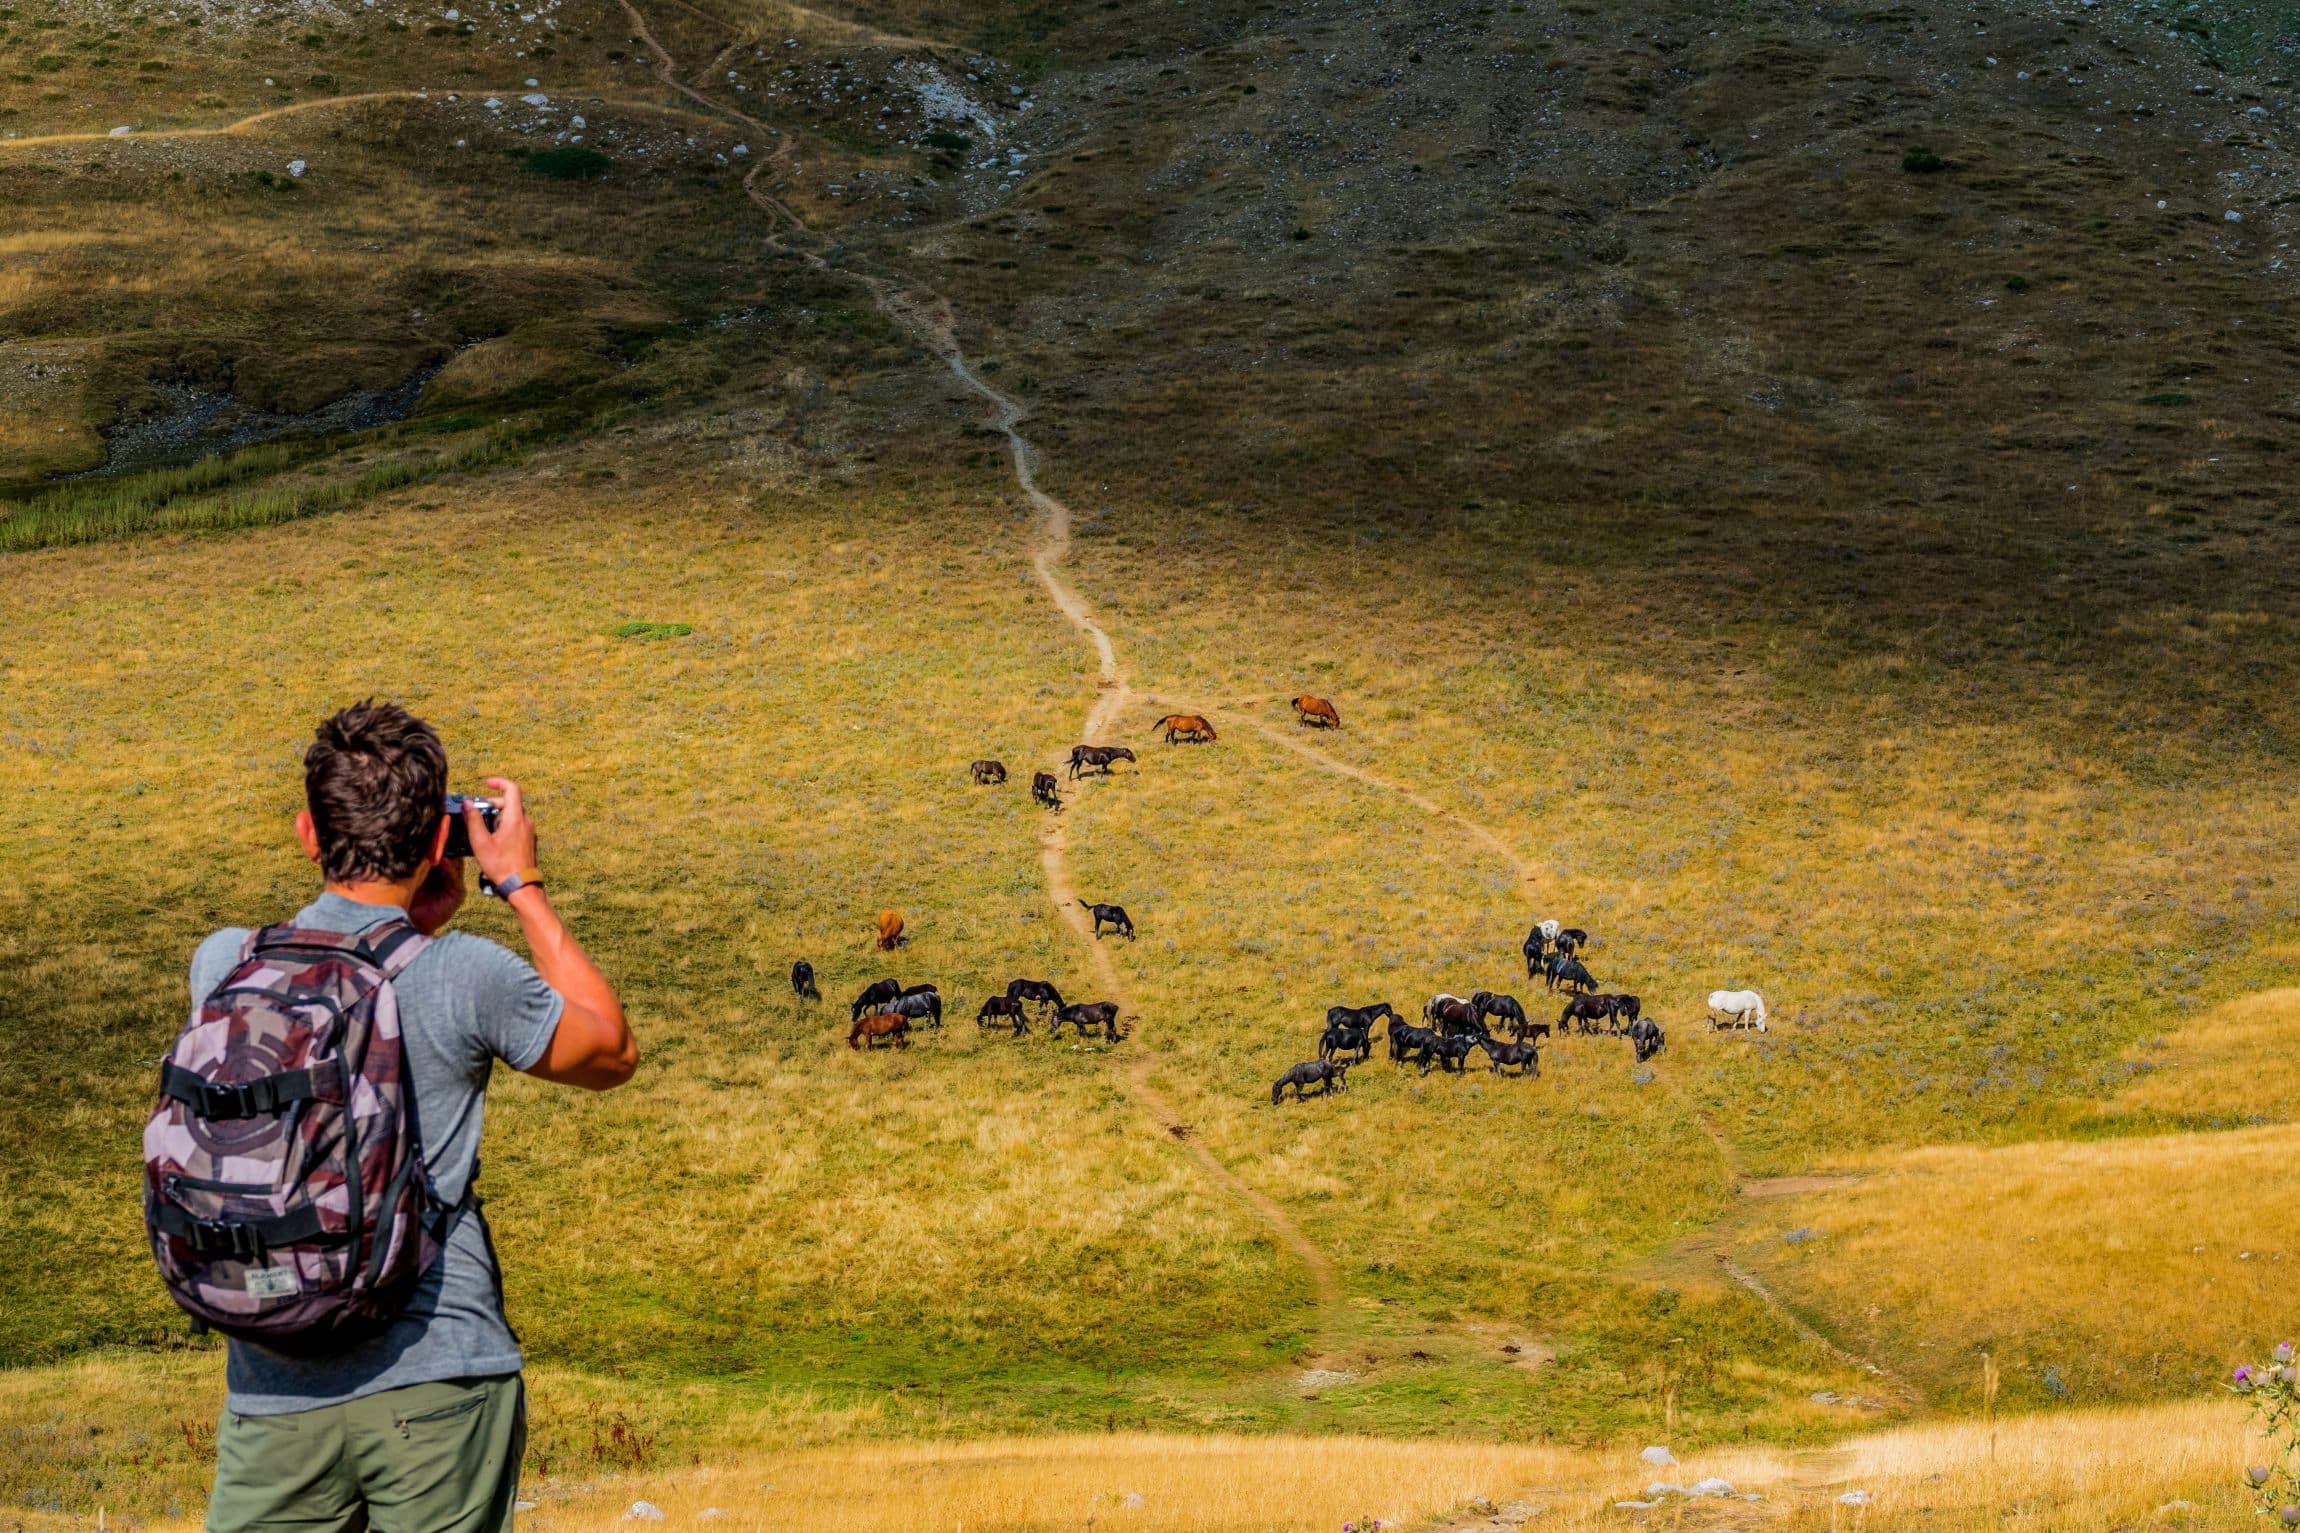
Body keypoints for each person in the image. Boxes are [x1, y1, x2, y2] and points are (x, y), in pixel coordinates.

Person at [191, 700, 636, 1533]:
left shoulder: (223, 962)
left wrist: (401, 928)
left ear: (307, 833)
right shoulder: (462, 973)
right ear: (440, 844)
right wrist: (520, 887)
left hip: (273, 1381)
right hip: (437, 1373)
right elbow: (609, 1051)